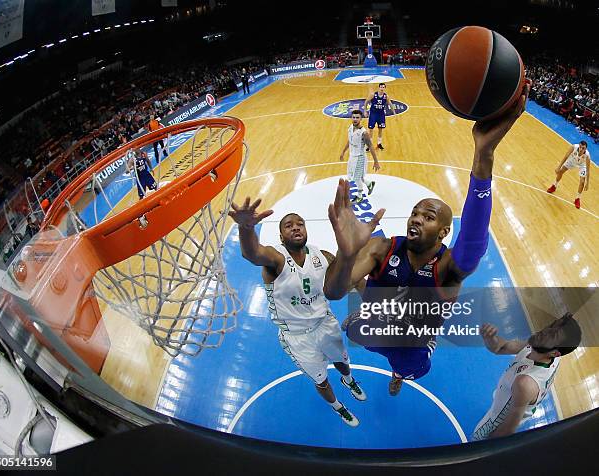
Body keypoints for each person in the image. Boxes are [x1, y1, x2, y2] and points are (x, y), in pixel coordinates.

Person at [328, 82, 531, 396]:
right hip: (376, 330)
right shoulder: (383, 247)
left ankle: (397, 374)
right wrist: (346, 253)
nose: (417, 219)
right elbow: (333, 291)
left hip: (413, 347)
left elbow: (474, 241)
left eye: (428, 216)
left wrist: (484, 155)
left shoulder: (448, 267)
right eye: (415, 213)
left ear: (443, 232)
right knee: (358, 317)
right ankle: (370, 314)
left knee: (409, 369)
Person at [227, 200, 383, 427]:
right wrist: (246, 227)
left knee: (342, 361)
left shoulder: (323, 256)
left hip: (325, 323)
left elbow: (354, 277)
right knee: (321, 381)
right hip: (297, 337)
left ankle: (349, 380)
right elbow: (252, 253)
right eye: (289, 225)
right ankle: (338, 407)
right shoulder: (276, 259)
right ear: (281, 236)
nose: (296, 227)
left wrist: (376, 304)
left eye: (300, 224)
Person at [472, 313, 582, 440]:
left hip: (496, 421)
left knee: (476, 439)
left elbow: (508, 429)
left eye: (553, 335)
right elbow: (500, 348)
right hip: (516, 400)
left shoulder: (525, 383)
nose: (545, 331)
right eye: (552, 326)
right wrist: (490, 338)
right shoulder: (542, 351)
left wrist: (485, 448)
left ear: (555, 352)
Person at [339, 109, 380, 204]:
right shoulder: (350, 128)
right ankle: (369, 184)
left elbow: (370, 146)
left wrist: (376, 161)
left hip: (360, 157)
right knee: (357, 176)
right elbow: (349, 141)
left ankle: (360, 196)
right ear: (351, 118)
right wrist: (343, 152)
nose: (355, 119)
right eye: (353, 117)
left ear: (361, 118)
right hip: (352, 156)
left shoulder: (364, 133)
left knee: (356, 177)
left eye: (357, 117)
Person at [546, 140, 591, 209]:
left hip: (582, 165)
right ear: (579, 146)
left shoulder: (587, 155)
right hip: (572, 161)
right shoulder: (573, 147)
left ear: (586, 149)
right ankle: (554, 186)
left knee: (582, 182)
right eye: (581, 147)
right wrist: (559, 167)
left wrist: (587, 183)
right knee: (560, 171)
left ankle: (577, 199)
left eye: (583, 148)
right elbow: (566, 156)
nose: (581, 149)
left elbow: (588, 169)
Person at [364, 82, 393, 150]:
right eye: (381, 87)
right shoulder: (373, 94)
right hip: (373, 114)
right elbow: (366, 102)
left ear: (385, 88)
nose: (382, 88)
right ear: (379, 87)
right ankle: (369, 145)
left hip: (381, 114)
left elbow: (390, 103)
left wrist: (393, 111)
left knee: (380, 129)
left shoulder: (386, 96)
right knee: (371, 129)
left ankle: (379, 143)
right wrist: (365, 111)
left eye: (383, 87)